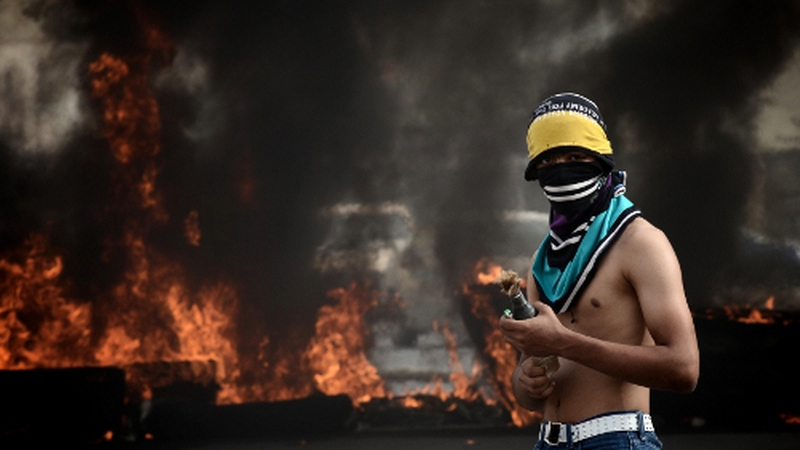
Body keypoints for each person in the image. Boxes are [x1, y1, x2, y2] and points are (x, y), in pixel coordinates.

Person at [498, 92, 699, 449]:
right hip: (548, 441)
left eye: (575, 157)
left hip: (616, 438)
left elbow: (684, 369)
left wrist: (564, 343)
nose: (562, 169)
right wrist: (526, 381)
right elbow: (531, 395)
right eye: (549, 160)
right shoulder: (542, 260)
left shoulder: (641, 243)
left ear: (601, 159)